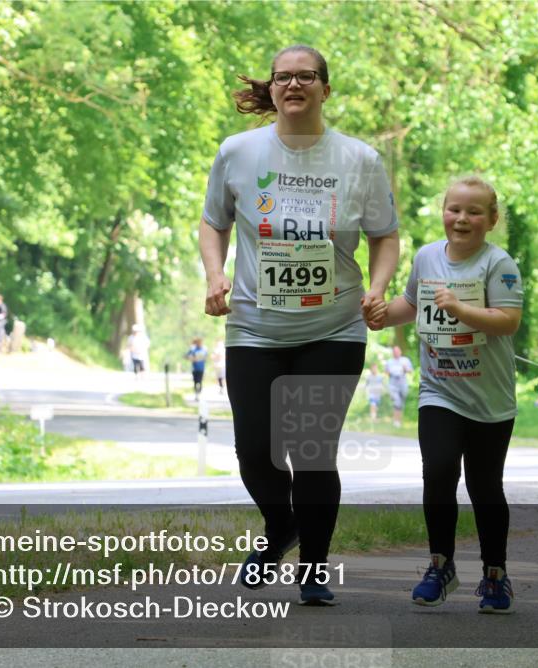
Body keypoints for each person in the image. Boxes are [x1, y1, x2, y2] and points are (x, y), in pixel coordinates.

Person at [199, 44, 399, 605]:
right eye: (283, 77)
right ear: (272, 88)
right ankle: (281, 527)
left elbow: (385, 234)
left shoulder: (359, 160)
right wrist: (215, 275)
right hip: (254, 327)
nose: (293, 85)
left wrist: (378, 288)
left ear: (325, 89)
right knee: (255, 454)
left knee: (312, 451)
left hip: (333, 327)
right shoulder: (237, 152)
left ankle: (313, 566)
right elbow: (213, 222)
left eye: (305, 76)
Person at [366, 175, 523, 614]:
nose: (462, 218)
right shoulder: (427, 257)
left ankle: (495, 575)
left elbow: (508, 321)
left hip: (489, 400)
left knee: (484, 486)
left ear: (491, 220)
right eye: (454, 209)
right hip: (439, 391)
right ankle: (440, 565)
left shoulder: (499, 264)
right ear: (443, 213)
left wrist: (461, 310)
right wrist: (379, 315)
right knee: (437, 472)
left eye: (474, 212)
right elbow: (411, 304)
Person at [384, 346, 414, 427]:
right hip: (393, 383)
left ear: (400, 352)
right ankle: (395, 421)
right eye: (394, 351)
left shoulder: (405, 360)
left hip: (403, 383)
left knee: (401, 403)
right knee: (396, 401)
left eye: (397, 351)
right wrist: (388, 372)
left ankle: (399, 421)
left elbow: (411, 371)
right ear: (393, 353)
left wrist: (405, 369)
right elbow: (386, 372)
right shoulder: (389, 361)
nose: (396, 353)